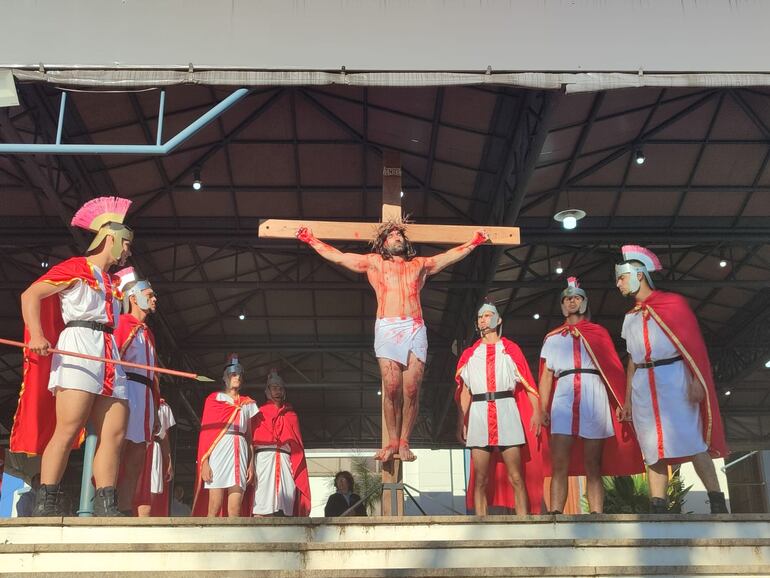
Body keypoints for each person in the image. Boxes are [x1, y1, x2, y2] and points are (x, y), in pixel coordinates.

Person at [298, 221, 489, 462]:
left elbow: (447, 257)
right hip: (388, 326)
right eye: (392, 235)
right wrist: (311, 240)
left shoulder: (419, 265)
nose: (397, 237)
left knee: (411, 389)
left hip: (414, 326)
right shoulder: (375, 263)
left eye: (400, 234)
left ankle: (404, 441)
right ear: (384, 243)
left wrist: (474, 242)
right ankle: (391, 441)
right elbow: (340, 257)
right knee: (392, 388)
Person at [10, 196, 134, 517]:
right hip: (79, 344)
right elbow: (31, 294)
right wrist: (37, 334)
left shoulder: (114, 282)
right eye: (126, 244)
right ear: (111, 239)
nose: (128, 251)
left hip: (109, 350)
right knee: (68, 427)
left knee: (115, 431)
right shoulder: (76, 268)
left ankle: (107, 504)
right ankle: (46, 500)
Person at [615, 245, 729, 514]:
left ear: (639, 275)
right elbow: (631, 360)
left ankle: (716, 500)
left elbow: (692, 347)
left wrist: (696, 380)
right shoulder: (629, 318)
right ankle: (658, 506)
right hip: (643, 383)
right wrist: (627, 399)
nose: (618, 283)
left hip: (674, 378)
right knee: (652, 448)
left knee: (692, 440)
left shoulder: (673, 304)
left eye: (622, 277)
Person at [538, 277, 644, 514]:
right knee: (559, 463)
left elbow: (613, 370)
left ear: (584, 302)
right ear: (562, 305)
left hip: (593, 393)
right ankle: (556, 514)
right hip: (563, 394)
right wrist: (542, 408)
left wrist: (621, 401)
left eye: (576, 297)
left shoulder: (598, 332)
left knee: (593, 463)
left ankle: (597, 515)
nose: (571, 301)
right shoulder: (553, 338)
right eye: (567, 298)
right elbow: (546, 376)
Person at [454, 302, 546, 515]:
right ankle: (481, 527)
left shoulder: (510, 349)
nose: (483, 320)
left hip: (506, 411)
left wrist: (537, 412)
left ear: (498, 319)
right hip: (478, 414)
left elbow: (527, 383)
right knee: (480, 479)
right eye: (480, 317)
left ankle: (524, 525)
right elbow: (465, 391)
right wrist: (461, 421)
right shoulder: (470, 354)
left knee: (516, 476)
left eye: (488, 315)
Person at [114, 267, 160, 515]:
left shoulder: (149, 333)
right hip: (126, 390)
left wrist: (155, 405)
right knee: (116, 448)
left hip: (145, 397)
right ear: (133, 297)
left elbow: (153, 376)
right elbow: (112, 362)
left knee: (136, 457)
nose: (154, 299)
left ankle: (124, 507)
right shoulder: (122, 324)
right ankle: (107, 501)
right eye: (149, 294)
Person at [192, 354, 258, 517]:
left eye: (239, 375)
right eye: (233, 374)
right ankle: (209, 541)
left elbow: (249, 437)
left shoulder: (248, 404)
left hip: (240, 451)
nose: (237, 378)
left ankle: (233, 541)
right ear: (226, 377)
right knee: (214, 505)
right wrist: (205, 462)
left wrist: (251, 464)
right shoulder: (214, 399)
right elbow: (206, 435)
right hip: (219, 452)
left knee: (235, 508)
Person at [252, 369, 311, 517]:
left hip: (285, 461)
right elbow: (251, 442)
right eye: (274, 388)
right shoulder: (258, 413)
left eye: (280, 388)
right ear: (267, 391)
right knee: (261, 504)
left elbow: (297, 446)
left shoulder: (291, 415)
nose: (277, 391)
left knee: (287, 502)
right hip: (264, 461)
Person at [134, 398, 176, 516]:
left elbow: (164, 438)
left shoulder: (163, 406)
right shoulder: (135, 396)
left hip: (153, 450)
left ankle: (143, 528)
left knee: (147, 497)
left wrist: (169, 462)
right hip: (134, 445)